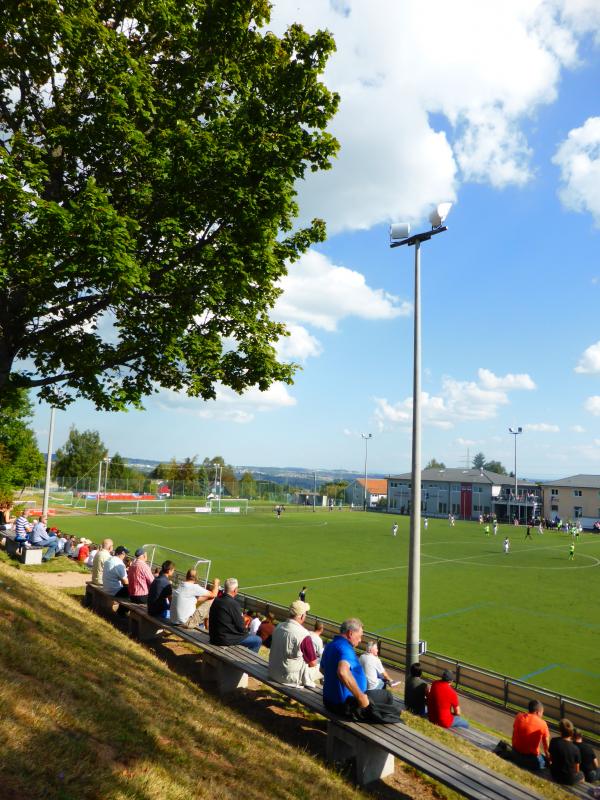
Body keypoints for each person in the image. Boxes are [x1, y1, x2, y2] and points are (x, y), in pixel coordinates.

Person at [320, 618, 399, 722]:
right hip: (345, 705)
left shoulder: (330, 645)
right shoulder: (345, 648)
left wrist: (337, 685)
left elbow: (322, 669)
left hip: (328, 701)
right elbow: (342, 672)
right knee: (387, 696)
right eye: (360, 635)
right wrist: (360, 696)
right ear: (350, 633)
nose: (361, 640)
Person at [268, 600, 319, 687]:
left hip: (273, 672)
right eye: (306, 613)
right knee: (324, 667)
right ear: (302, 616)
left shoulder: (278, 626)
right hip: (289, 678)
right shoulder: (304, 634)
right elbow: (313, 663)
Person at [208, 577, 262, 652]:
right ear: (235, 590)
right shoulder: (233, 604)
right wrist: (246, 633)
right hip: (223, 640)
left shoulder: (217, 600)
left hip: (214, 637)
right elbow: (241, 626)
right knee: (257, 640)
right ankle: (247, 663)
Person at [511, 700, 550, 770]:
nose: (542, 715)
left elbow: (514, 734)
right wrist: (550, 761)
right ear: (537, 712)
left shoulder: (519, 716)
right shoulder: (543, 724)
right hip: (531, 759)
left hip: (515, 753)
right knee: (545, 761)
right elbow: (547, 749)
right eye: (542, 713)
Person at [549, 718, 583, 785]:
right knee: (582, 774)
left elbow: (551, 758)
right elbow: (577, 770)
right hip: (568, 779)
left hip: (554, 775)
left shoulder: (553, 741)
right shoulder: (575, 748)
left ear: (560, 730)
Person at [102, 545, 130, 616]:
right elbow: (125, 582)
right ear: (122, 553)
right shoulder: (119, 563)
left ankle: (121, 611)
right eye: (125, 554)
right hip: (113, 590)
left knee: (128, 590)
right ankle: (121, 612)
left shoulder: (109, 559)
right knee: (133, 592)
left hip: (106, 587)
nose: (125, 556)